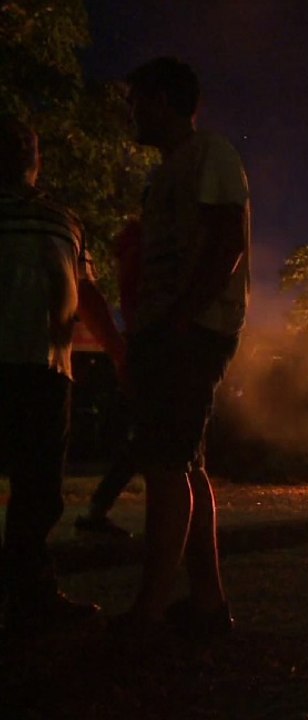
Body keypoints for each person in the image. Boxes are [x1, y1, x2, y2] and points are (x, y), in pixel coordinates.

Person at [117, 58, 251, 637]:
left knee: (167, 465)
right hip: (169, 330)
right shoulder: (171, 170)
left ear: (166, 101)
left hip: (189, 332)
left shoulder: (209, 155)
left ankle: (148, 611)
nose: (133, 113)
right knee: (185, 463)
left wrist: (180, 319)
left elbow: (228, 242)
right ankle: (205, 602)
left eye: (139, 101)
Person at [1, 116, 125, 634]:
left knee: (40, 490)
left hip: (47, 369)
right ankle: (29, 594)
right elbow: (88, 295)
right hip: (42, 372)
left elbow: (87, 295)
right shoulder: (62, 221)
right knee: (37, 488)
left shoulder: (64, 221)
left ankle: (29, 593)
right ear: (34, 162)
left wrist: (118, 351)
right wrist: (120, 353)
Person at [76, 220, 143, 538]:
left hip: (139, 345)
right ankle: (98, 510)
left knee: (144, 441)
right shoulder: (149, 245)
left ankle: (98, 509)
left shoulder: (132, 246)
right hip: (150, 347)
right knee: (152, 441)